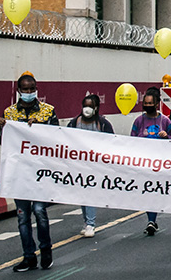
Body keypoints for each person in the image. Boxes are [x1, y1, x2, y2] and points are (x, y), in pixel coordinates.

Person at [0, 74, 58, 272]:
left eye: (32, 89)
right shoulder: (10, 113)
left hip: (40, 172)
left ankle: (46, 251)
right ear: (19, 91)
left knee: (40, 211)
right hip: (19, 173)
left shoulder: (48, 112)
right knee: (22, 216)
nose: (29, 93)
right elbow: (6, 144)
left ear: (37, 89)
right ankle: (28, 257)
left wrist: (39, 129)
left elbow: (57, 139)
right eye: (25, 89)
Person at [66, 94, 113, 238]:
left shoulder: (103, 124)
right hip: (79, 166)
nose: (87, 109)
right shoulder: (74, 123)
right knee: (82, 195)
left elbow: (112, 142)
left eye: (90, 106)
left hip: (95, 167)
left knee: (90, 193)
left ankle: (91, 224)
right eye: (85, 106)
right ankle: (86, 222)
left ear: (96, 108)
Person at [132, 88, 171, 235]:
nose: (148, 105)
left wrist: (166, 137)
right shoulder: (138, 121)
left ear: (157, 104)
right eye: (145, 103)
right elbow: (131, 140)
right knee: (147, 191)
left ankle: (152, 219)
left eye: (151, 103)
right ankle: (151, 220)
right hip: (144, 163)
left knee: (156, 191)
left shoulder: (165, 121)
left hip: (160, 163)